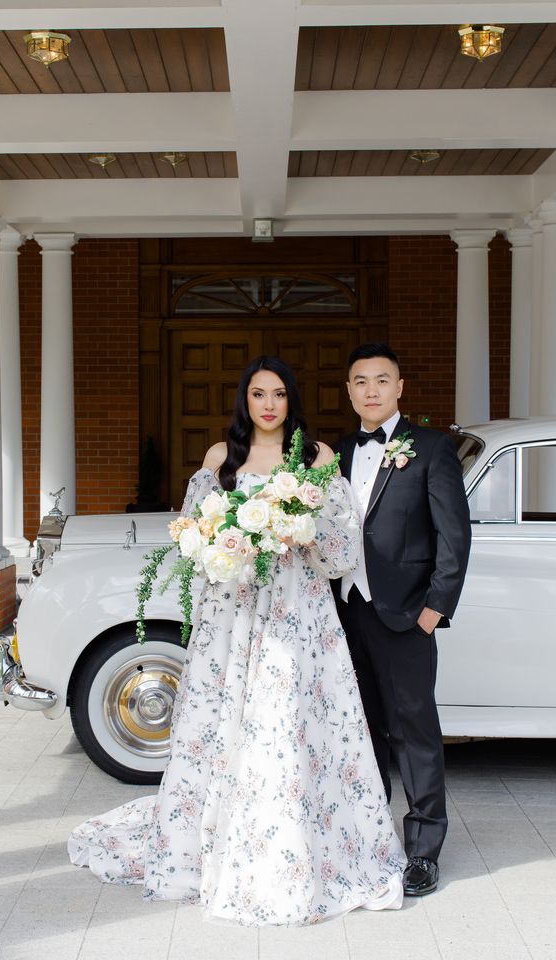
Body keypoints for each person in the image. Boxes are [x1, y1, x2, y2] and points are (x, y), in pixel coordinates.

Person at [68, 355, 406, 925]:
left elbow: (343, 548)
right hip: (236, 613)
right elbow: (192, 538)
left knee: (289, 721)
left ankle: (300, 844)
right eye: (257, 394)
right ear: (244, 402)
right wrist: (231, 548)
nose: (269, 404)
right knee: (231, 720)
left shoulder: (316, 458)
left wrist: (297, 531)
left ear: (290, 401)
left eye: (278, 394)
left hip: (299, 612)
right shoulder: (221, 460)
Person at [333, 342, 471, 897]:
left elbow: (453, 536)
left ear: (399, 387)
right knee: (361, 732)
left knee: (414, 730)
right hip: (345, 612)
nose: (371, 390)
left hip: (407, 613)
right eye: (361, 381)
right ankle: (368, 840)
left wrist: (434, 609)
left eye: (381, 380)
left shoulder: (432, 449)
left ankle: (422, 851)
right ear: (349, 391)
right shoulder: (334, 454)